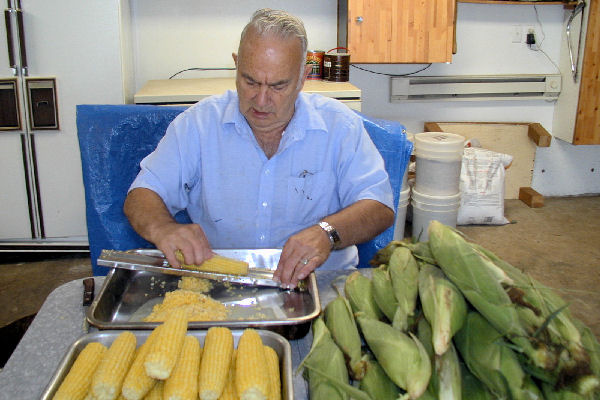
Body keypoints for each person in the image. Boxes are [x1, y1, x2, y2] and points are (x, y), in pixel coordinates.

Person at [123, 8, 395, 289]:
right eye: (250, 81)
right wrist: (165, 229)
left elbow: (379, 206)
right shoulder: (199, 125)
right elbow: (143, 193)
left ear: (303, 77)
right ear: (236, 64)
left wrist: (327, 233)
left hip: (321, 284)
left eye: (278, 86)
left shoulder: (340, 127)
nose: (261, 100)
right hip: (221, 287)